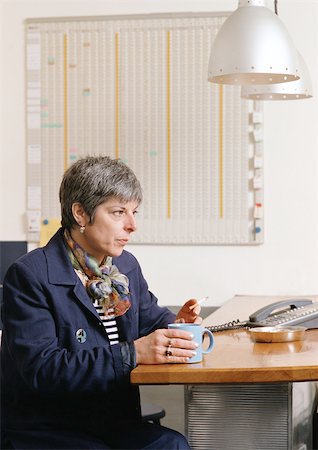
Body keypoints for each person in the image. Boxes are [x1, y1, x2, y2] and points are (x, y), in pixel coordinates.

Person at [1, 156, 203, 450]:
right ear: (80, 213)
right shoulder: (30, 276)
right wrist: (132, 354)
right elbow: (43, 370)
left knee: (171, 444)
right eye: (119, 212)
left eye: (134, 212)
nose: (132, 225)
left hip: (112, 421)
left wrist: (179, 326)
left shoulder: (124, 268)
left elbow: (149, 320)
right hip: (47, 428)